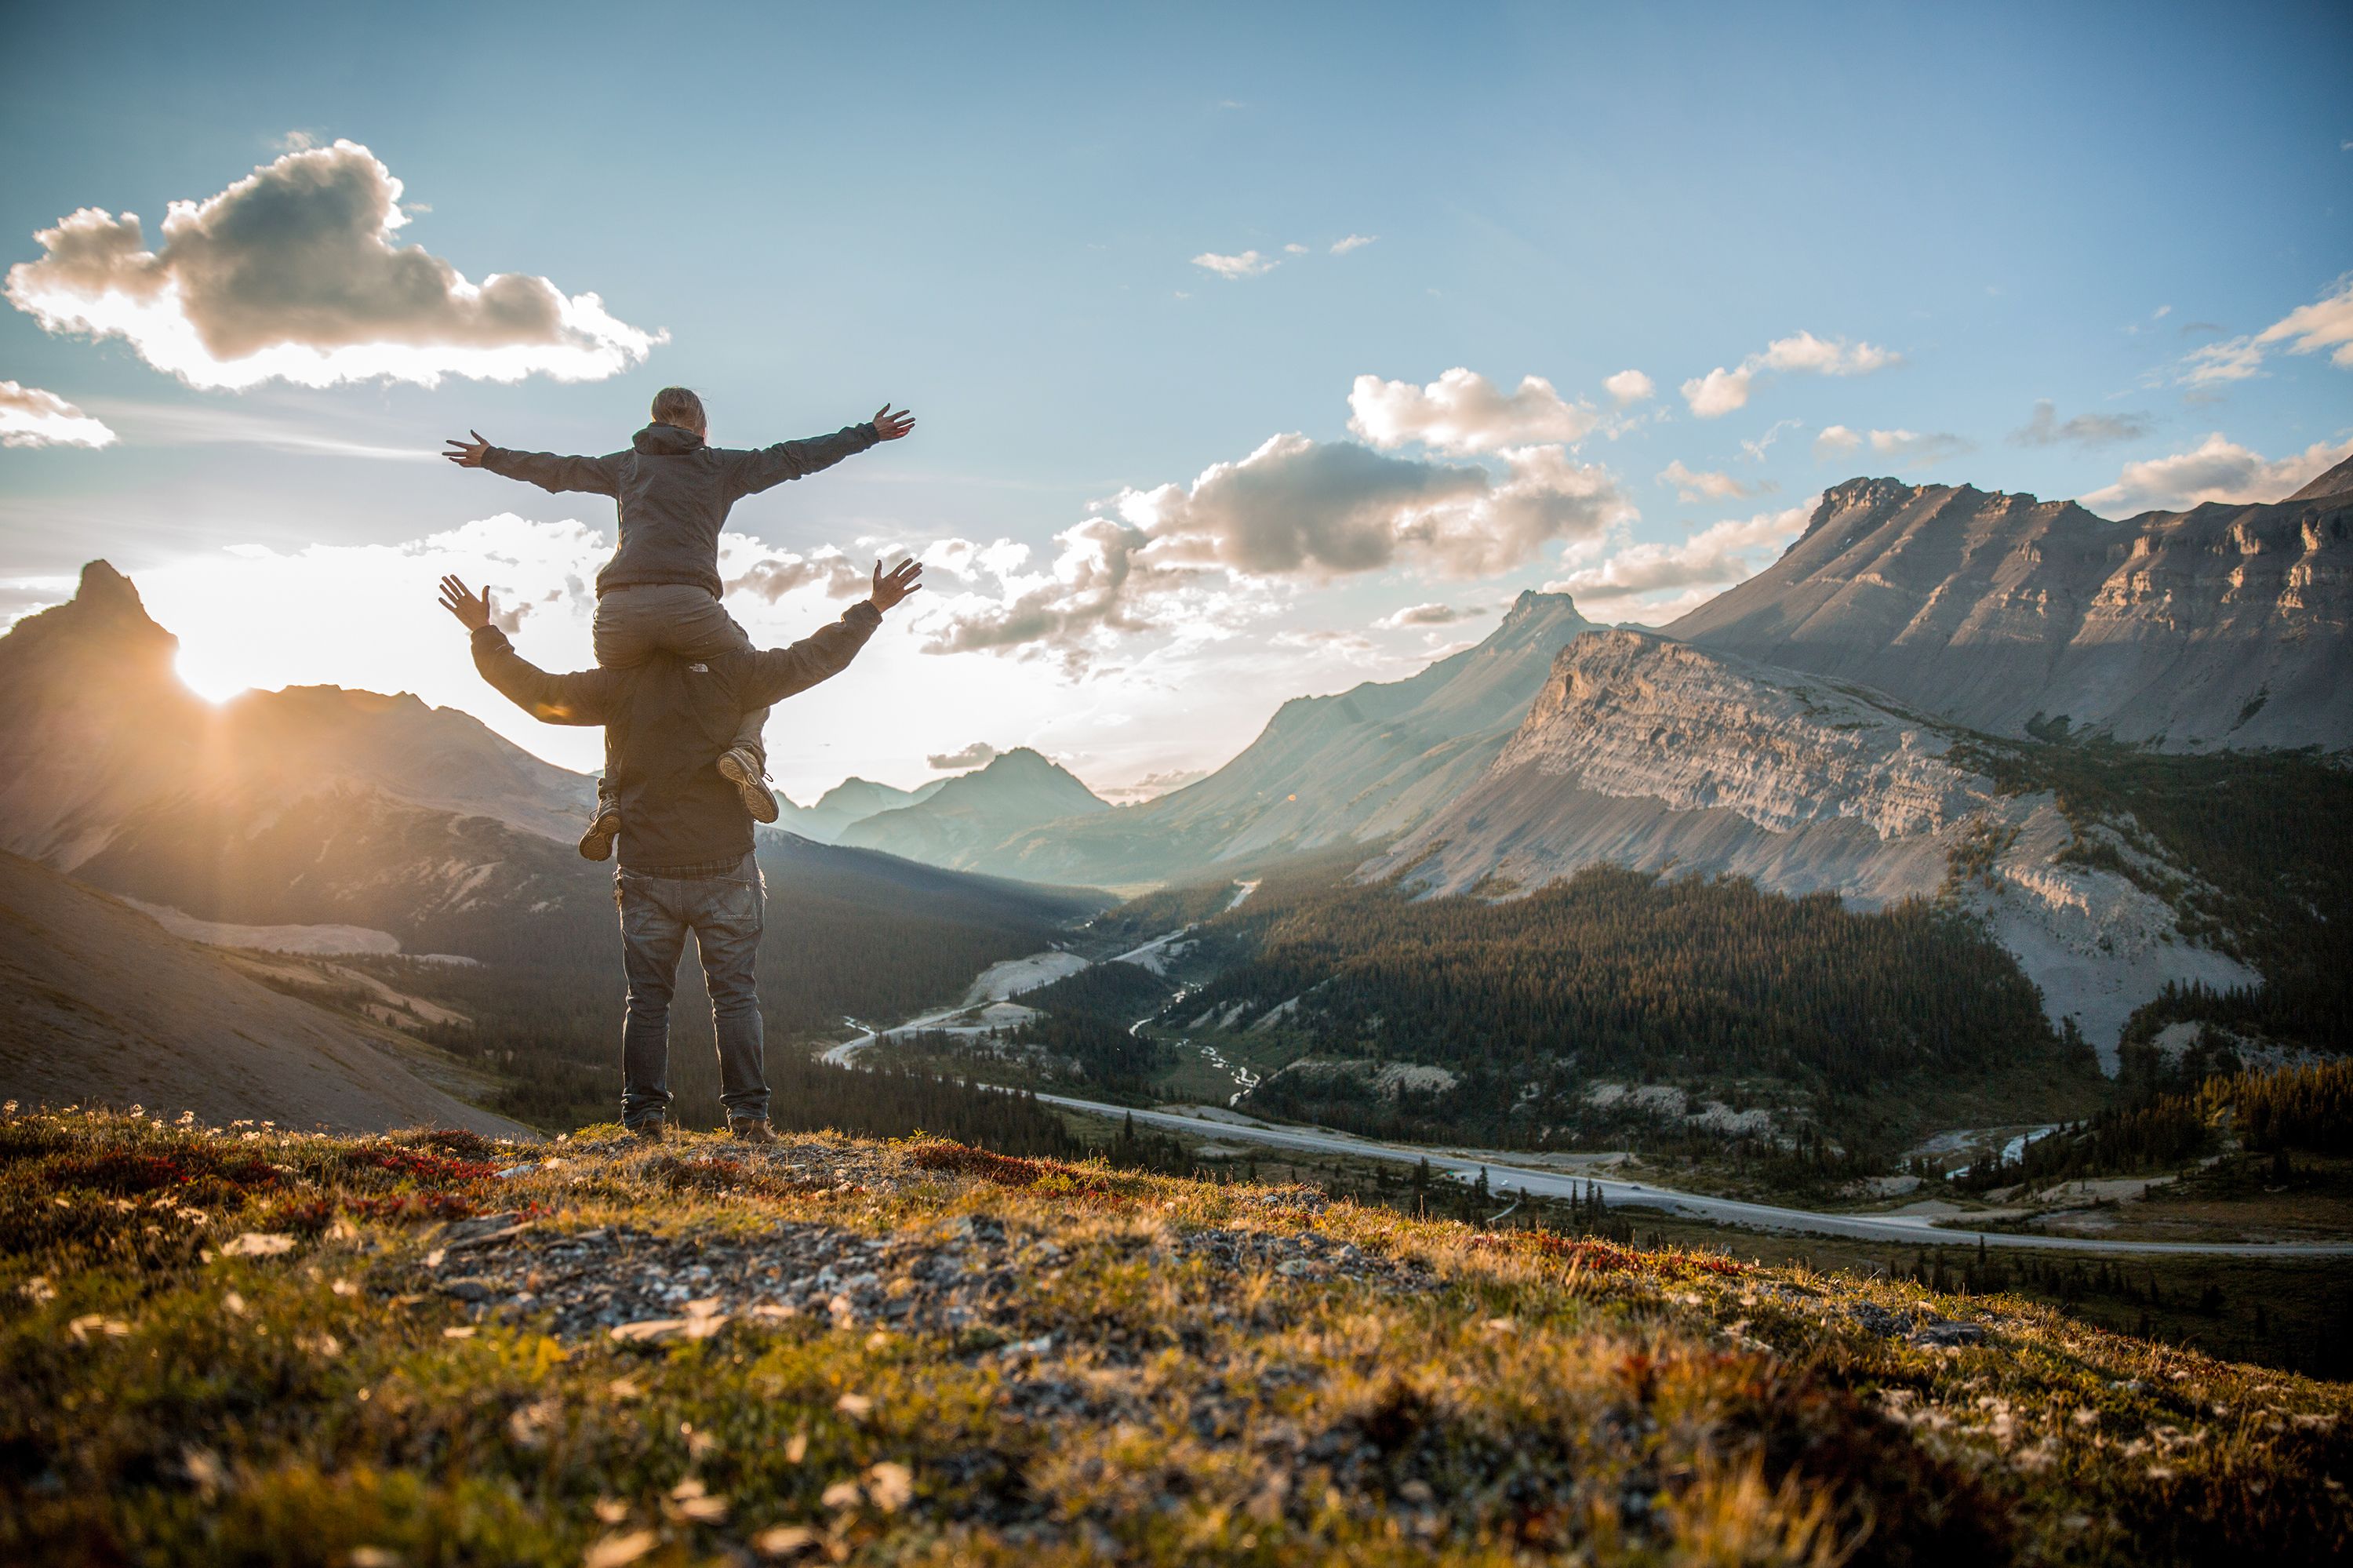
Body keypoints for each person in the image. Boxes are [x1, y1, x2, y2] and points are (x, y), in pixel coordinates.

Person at [435, 558, 924, 1143]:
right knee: (735, 995)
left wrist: (483, 632)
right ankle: (748, 1118)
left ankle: (643, 1120)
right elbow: (814, 658)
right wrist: (871, 609)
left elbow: (539, 696)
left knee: (647, 1000)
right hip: (725, 864)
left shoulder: (617, 684)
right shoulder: (733, 672)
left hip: (645, 867)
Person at [444, 387, 916, 857]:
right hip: (690, 608)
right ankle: (746, 751)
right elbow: (795, 457)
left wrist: (492, 457)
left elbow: (559, 471)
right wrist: (867, 434)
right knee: (753, 675)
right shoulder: (719, 466)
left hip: (618, 615)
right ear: (702, 429)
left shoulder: (625, 466)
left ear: (652, 422)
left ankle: (611, 794)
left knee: (621, 693)